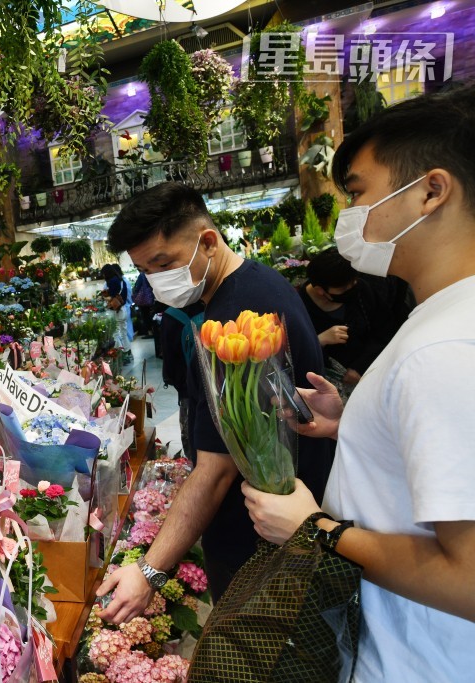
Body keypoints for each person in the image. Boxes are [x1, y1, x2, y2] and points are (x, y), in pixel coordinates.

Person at [243, 85, 475, 682]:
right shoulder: (444, 318)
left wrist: (315, 528)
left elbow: (469, 578)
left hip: (419, 661)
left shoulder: (446, 345)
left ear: (431, 191)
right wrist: (353, 422)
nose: (351, 217)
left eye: (359, 194)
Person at [98, 182, 335, 622]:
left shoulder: (237, 316)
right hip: (274, 531)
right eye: (145, 270)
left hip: (262, 545)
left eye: (164, 263)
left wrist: (149, 571)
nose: (156, 280)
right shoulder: (256, 284)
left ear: (208, 241)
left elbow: (217, 468)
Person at [299, 247, 404, 398]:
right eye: (343, 288)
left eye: (353, 282)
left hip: (373, 375)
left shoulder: (361, 290)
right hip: (333, 392)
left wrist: (360, 367)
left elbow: (385, 330)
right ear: (320, 290)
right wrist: (319, 340)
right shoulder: (301, 307)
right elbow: (297, 354)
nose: (352, 288)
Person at [159, 301, 204, 458]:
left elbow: (168, 357)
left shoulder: (171, 316)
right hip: (217, 383)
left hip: (187, 387)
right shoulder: (211, 304)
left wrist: (178, 383)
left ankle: (193, 466)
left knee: (191, 431)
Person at [100, 264, 134, 356]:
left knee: (115, 333)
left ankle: (119, 352)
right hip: (122, 309)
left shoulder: (112, 281)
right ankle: (127, 350)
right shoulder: (121, 280)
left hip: (115, 311)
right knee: (123, 332)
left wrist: (105, 296)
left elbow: (112, 296)